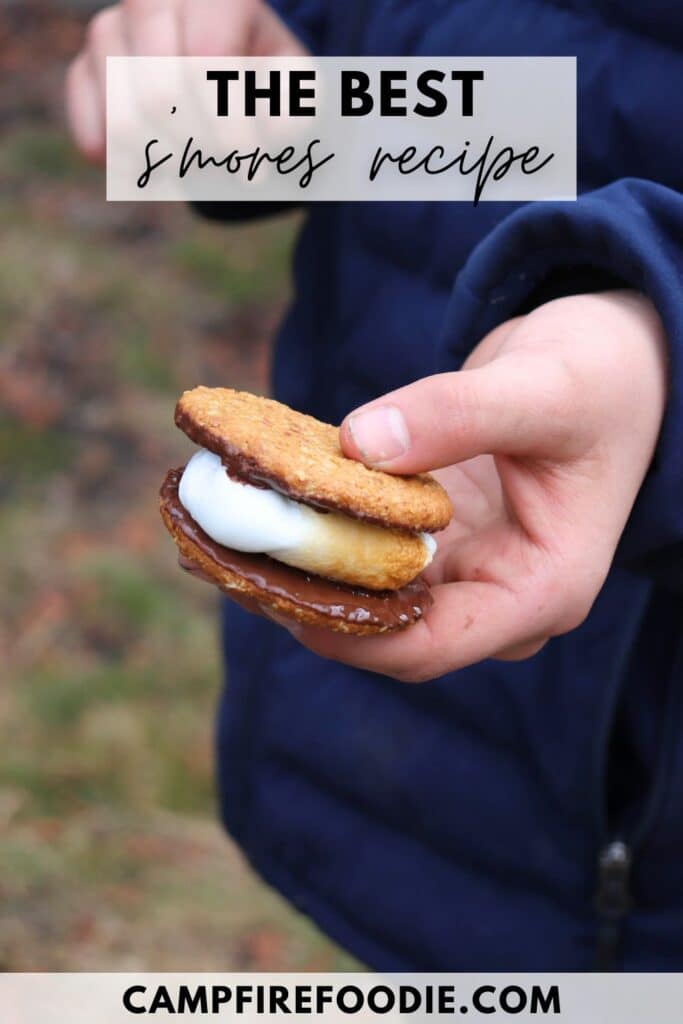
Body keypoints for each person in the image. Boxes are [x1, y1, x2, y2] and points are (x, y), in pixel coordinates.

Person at [66, 0, 683, 970]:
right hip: (366, 753)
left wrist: (660, 353)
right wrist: (268, 72)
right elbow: (482, 96)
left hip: (628, 832)